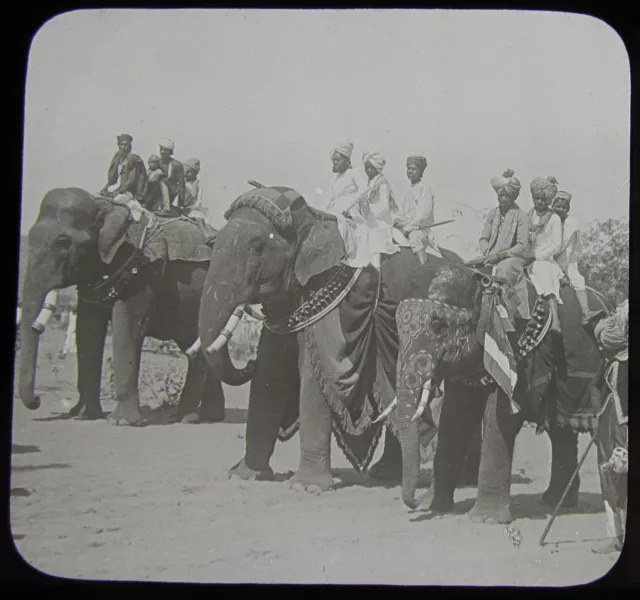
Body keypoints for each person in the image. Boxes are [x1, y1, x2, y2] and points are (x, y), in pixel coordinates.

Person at [591, 298, 628, 555]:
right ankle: (616, 535)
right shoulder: (613, 362)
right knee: (610, 478)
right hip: (611, 428)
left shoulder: (623, 364)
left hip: (622, 432)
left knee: (619, 477)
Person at [478, 168, 531, 319]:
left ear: (513, 197)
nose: (502, 199)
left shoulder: (521, 216)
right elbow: (483, 238)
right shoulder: (492, 214)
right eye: (500, 195)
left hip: (513, 256)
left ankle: (505, 314)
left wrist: (500, 255)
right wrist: (487, 252)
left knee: (504, 268)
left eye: (506, 196)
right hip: (491, 255)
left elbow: (522, 245)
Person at [552, 191, 605, 326]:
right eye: (558, 206)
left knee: (578, 280)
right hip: (548, 259)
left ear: (568, 209)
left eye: (564, 207)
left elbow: (571, 249)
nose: (560, 210)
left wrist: (565, 270)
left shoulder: (572, 224)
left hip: (566, 260)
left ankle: (586, 312)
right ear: (553, 206)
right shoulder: (547, 220)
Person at [526, 176, 564, 334]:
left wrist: (538, 255)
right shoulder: (527, 216)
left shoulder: (554, 218)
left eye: (543, 199)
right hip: (526, 256)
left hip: (545, 259)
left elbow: (557, 245)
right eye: (537, 198)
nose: (540, 202)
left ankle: (555, 320)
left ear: (548, 200)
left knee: (542, 271)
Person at [324, 140, 370, 267]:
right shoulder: (335, 179)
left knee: (341, 226)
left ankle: (343, 257)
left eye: (338, 160)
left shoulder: (353, 173)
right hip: (335, 210)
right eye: (334, 160)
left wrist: (347, 207)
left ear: (347, 160)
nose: (335, 163)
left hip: (350, 212)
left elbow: (364, 188)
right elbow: (330, 198)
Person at [355, 151, 400, 270]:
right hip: (370, 221)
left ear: (377, 168)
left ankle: (376, 281)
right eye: (366, 168)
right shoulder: (369, 183)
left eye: (371, 168)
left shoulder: (382, 183)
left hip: (380, 224)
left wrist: (372, 215)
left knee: (375, 251)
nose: (368, 170)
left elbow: (385, 207)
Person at [393, 155, 437, 264]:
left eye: (414, 169)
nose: (410, 171)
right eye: (408, 168)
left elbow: (423, 215)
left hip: (420, 228)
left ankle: (424, 267)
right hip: (407, 225)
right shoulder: (409, 190)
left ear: (421, 171)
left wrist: (406, 229)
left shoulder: (425, 187)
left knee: (414, 238)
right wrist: (394, 222)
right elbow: (402, 213)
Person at [100, 133, 148, 207]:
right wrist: (104, 189)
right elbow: (112, 178)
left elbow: (131, 180)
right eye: (121, 145)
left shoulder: (134, 159)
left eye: (126, 145)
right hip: (114, 189)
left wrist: (118, 192)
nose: (123, 147)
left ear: (129, 146)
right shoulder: (117, 158)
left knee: (115, 202)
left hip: (128, 191)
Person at [156, 138, 186, 217]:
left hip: (170, 192)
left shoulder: (177, 165)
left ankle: (166, 209)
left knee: (163, 181)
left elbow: (181, 184)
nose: (162, 152)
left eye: (165, 150)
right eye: (161, 149)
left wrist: (181, 204)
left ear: (170, 152)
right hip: (156, 191)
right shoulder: (157, 162)